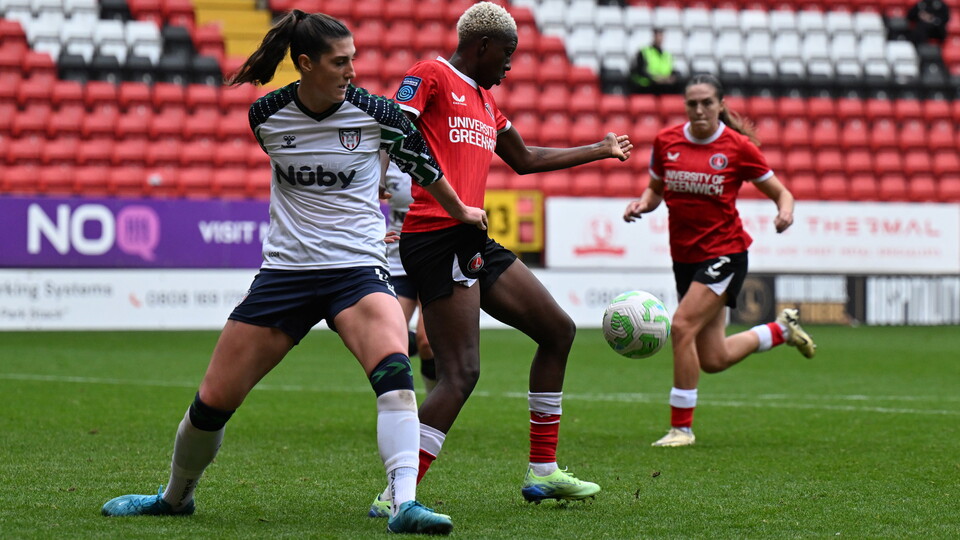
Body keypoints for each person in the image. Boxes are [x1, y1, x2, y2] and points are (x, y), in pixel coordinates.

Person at [98, 10, 489, 535]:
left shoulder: (381, 115)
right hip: (285, 274)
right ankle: (173, 498)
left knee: (395, 380)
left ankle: (403, 505)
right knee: (213, 402)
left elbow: (425, 166)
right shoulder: (267, 116)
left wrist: (460, 210)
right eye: (339, 61)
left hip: (356, 272)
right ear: (305, 64)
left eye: (353, 58)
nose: (352, 70)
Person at [368, 1, 633, 517]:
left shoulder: (488, 102)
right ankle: (395, 493)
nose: (510, 66)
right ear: (482, 45)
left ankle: (542, 471)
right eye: (507, 54)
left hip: (472, 235)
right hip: (437, 234)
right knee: (461, 374)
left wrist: (599, 149)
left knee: (558, 330)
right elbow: (393, 127)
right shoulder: (432, 74)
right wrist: (373, 181)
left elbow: (526, 159)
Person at [622, 73, 816, 448]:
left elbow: (782, 193)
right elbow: (655, 190)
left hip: (725, 252)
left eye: (706, 103)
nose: (699, 110)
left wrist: (785, 212)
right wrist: (642, 204)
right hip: (685, 257)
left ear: (720, 105)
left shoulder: (738, 147)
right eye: (692, 104)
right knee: (713, 357)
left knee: (680, 327)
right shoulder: (667, 142)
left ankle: (682, 428)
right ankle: (780, 331)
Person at [381, 158, 438, 394]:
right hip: (397, 261)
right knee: (388, 341)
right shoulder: (387, 161)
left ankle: (435, 408)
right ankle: (399, 409)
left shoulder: (439, 160)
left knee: (428, 343)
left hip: (433, 260)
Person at [629, 28, 677, 94]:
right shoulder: (644, 52)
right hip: (647, 85)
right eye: (658, 36)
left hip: (664, 85)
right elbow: (640, 71)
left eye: (661, 36)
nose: (659, 38)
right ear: (653, 37)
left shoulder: (667, 55)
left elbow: (672, 70)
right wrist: (655, 78)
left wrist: (670, 78)